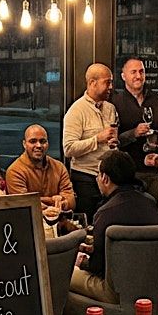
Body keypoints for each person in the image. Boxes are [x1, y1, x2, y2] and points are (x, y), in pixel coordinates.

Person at [70, 150, 158, 303]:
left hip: (117, 291)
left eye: (98, 175)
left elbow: (97, 268)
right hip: (152, 285)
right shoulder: (151, 202)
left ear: (105, 178)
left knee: (62, 274)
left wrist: (82, 262)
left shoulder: (105, 212)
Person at [62, 63, 118, 215]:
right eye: (107, 82)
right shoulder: (76, 111)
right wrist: (97, 139)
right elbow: (68, 149)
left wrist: (113, 143)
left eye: (111, 82)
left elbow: (111, 139)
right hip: (85, 179)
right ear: (93, 83)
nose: (111, 87)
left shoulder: (110, 108)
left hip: (109, 178)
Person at [111, 58, 158, 195]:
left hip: (153, 171)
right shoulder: (115, 102)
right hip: (128, 174)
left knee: (153, 207)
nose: (138, 76)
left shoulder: (156, 98)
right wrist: (134, 133)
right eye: (133, 72)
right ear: (123, 76)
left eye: (141, 72)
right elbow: (112, 141)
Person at [5, 125, 75, 213]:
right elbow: (24, 205)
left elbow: (72, 202)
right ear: (24, 144)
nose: (38, 145)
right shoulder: (14, 171)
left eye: (42, 141)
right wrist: (53, 201)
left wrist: (64, 204)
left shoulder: (59, 167)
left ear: (48, 143)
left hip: (59, 219)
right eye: (33, 141)